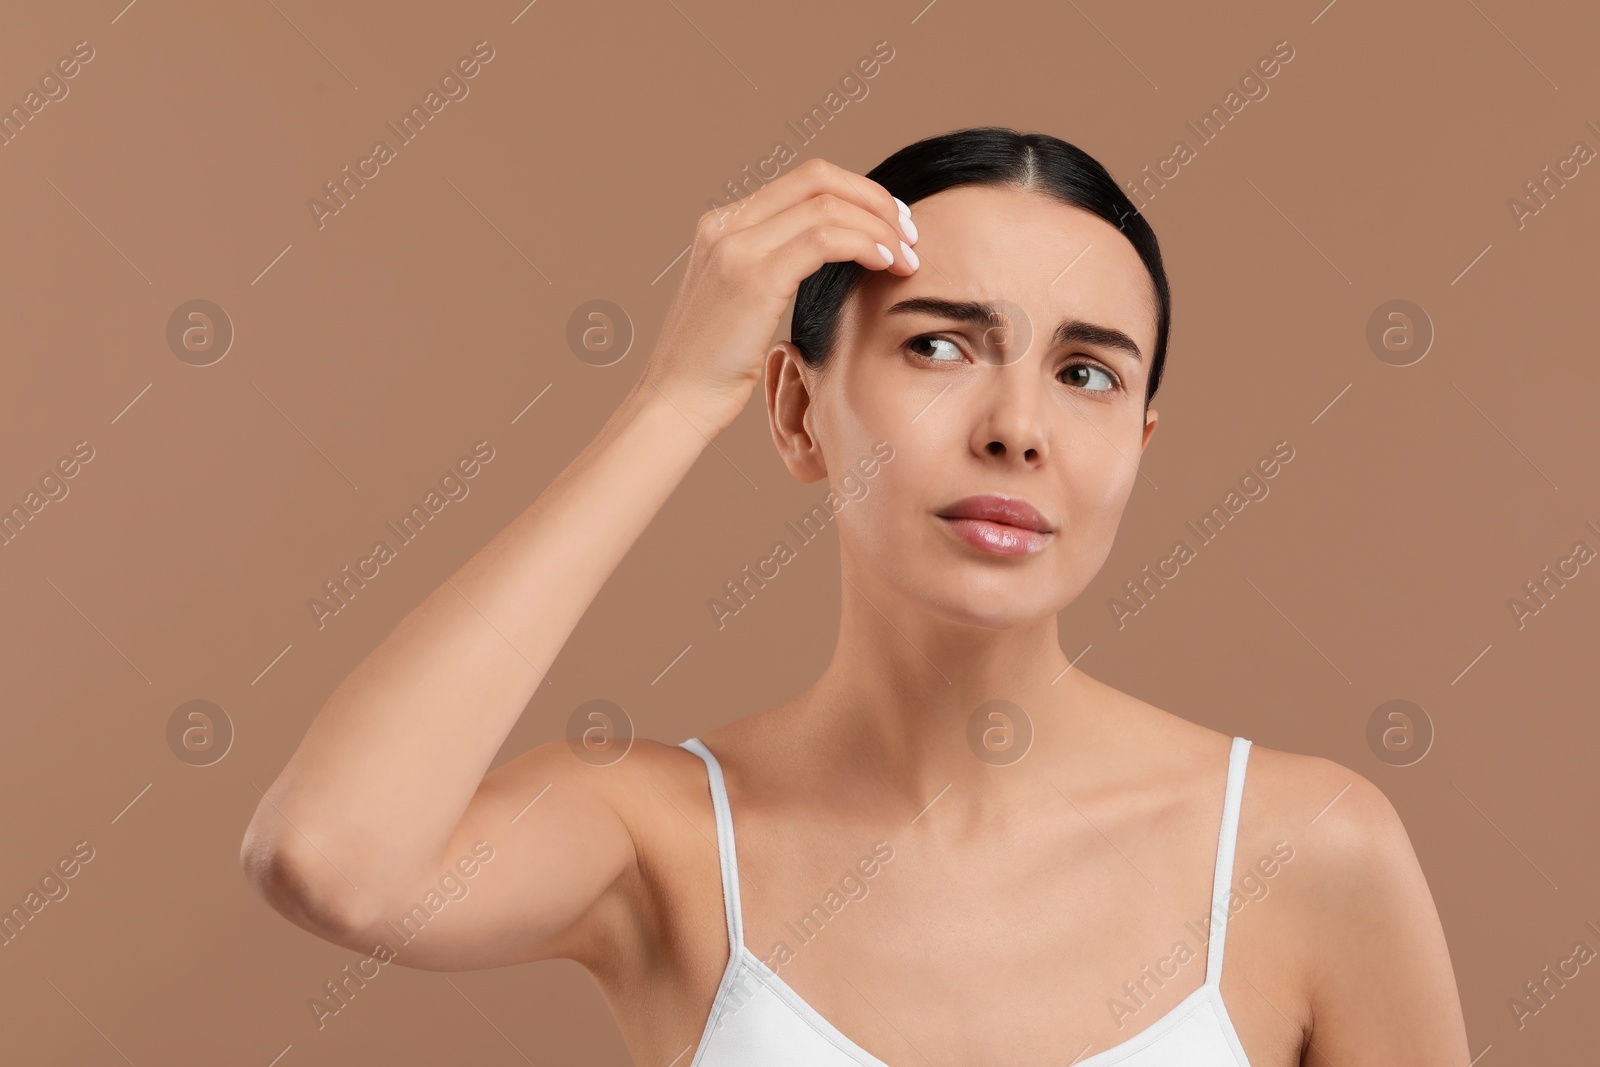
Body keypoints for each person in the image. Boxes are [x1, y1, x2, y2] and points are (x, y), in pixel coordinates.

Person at [240, 127, 1470, 1065]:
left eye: (1086, 372)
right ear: (793, 407)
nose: (1018, 429)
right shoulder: (661, 837)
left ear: (1141, 439)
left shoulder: (1306, 848)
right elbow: (331, 859)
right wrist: (671, 399)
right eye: (937, 346)